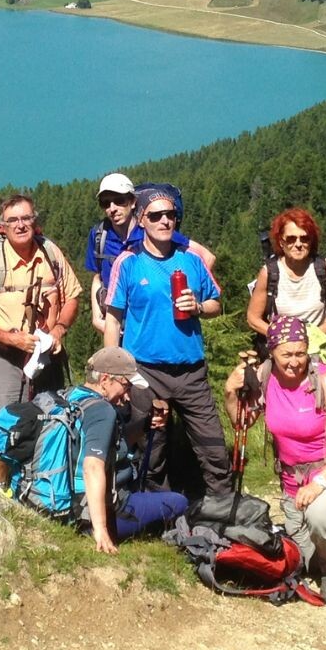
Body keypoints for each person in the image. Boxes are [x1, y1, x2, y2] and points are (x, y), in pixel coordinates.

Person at [224, 316, 326, 607]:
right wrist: (230, 392)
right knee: (304, 560)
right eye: (286, 354)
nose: (294, 362)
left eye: (300, 353)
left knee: (321, 518)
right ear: (272, 352)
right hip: (293, 480)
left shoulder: (324, 378)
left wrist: (319, 483)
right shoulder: (265, 377)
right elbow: (242, 423)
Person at [103, 187, 231, 499]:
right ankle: (159, 511)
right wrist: (113, 368)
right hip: (146, 372)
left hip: (191, 370)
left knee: (212, 444)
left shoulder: (191, 260)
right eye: (155, 215)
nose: (164, 221)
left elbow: (216, 303)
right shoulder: (128, 263)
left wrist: (198, 306)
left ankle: (223, 506)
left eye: (170, 215)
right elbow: (113, 318)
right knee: (151, 446)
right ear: (141, 220)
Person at [0, 193, 83, 485]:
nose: (20, 225)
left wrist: (59, 330)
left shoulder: (50, 253)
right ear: (2, 226)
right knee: (3, 422)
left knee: (49, 418)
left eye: (26, 218)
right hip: (2, 355)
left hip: (46, 356)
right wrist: (10, 339)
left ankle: (40, 487)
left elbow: (73, 296)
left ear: (35, 220)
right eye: (12, 220)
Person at [54, 348, 191, 554]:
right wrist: (100, 530)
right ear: (106, 379)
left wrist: (145, 425)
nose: (128, 397)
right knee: (179, 502)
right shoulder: (103, 411)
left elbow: (109, 442)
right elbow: (92, 466)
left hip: (65, 500)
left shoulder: (72, 396)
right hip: (105, 510)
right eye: (126, 386)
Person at [85, 173, 217, 332]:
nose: (112, 209)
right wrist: (96, 318)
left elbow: (207, 258)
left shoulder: (152, 229)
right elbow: (98, 277)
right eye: (105, 203)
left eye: (119, 201)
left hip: (149, 328)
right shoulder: (100, 235)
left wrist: (183, 298)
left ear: (132, 202)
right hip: (115, 325)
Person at [246, 208, 326, 338]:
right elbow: (253, 317)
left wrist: (317, 334)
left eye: (304, 238)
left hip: (318, 348)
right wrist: (281, 338)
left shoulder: (324, 269)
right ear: (281, 242)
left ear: (311, 241)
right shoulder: (269, 273)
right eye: (291, 239)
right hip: (280, 352)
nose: (298, 244)